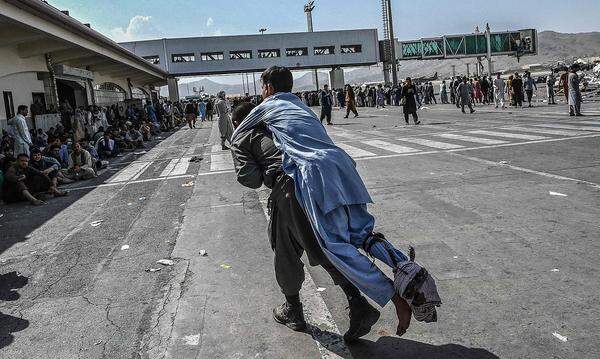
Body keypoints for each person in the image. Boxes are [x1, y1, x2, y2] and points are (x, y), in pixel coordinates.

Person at [231, 66, 440, 341]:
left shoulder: (263, 112)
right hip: (342, 169)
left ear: (268, 89)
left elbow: (249, 173)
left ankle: (390, 298)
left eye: (262, 88)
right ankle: (398, 272)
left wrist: (243, 146)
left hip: (304, 180)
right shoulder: (298, 108)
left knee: (325, 247)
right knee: (360, 236)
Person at [2, 153, 66, 205]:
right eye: (22, 161)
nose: (24, 163)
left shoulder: (28, 167)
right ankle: (33, 200)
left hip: (21, 193)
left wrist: (52, 185)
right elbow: (9, 177)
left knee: (40, 176)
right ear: (17, 161)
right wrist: (19, 177)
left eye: (26, 161)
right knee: (19, 181)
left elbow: (41, 174)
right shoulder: (12, 168)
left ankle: (55, 192)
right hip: (11, 195)